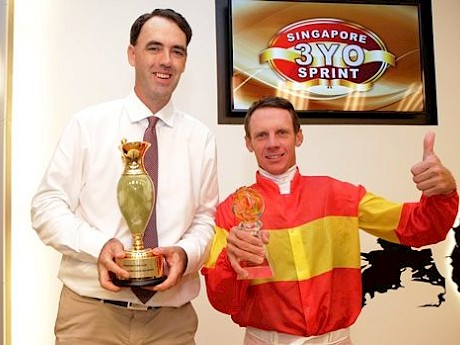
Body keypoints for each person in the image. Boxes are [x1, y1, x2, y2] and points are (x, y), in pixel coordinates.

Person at [201, 96, 458, 345]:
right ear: (248, 143)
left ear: (298, 137)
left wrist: (442, 193)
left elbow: (418, 228)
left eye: (281, 132)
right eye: (261, 135)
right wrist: (230, 260)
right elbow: (223, 302)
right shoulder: (232, 212)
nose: (272, 143)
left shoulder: (339, 195)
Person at [31, 8, 218, 345]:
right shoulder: (88, 125)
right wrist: (98, 246)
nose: (166, 60)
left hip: (170, 322)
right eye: (154, 48)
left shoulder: (200, 138)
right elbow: (47, 206)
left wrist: (185, 254)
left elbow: (205, 219)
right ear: (132, 54)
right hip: (91, 316)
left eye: (177, 51)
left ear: (185, 62)